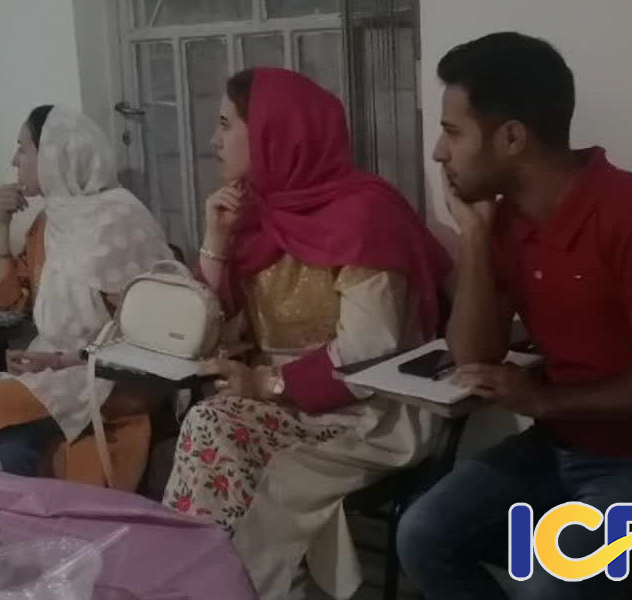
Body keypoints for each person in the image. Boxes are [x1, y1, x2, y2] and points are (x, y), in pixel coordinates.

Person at [395, 32, 632, 600]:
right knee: (423, 534)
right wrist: (474, 237)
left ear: (511, 137)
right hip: (561, 446)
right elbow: (473, 357)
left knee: (551, 582)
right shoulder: (505, 221)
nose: (438, 153)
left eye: (453, 132)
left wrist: (542, 401)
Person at [159, 68, 452, 600]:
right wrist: (215, 242)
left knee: (212, 425)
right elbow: (207, 332)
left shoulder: (364, 214)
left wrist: (265, 384)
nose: (213, 140)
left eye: (226, 123)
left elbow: (369, 351)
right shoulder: (255, 214)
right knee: (212, 423)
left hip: (368, 407)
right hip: (280, 403)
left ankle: (213, 585)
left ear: (274, 131)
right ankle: (220, 584)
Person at [0, 105, 172, 491]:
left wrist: (63, 359)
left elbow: (148, 332)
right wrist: (1, 224)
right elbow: (5, 299)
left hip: (109, 376)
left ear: (53, 154)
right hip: (51, 370)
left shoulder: (120, 218)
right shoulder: (49, 223)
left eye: (23, 148)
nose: (14, 160)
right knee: (6, 442)